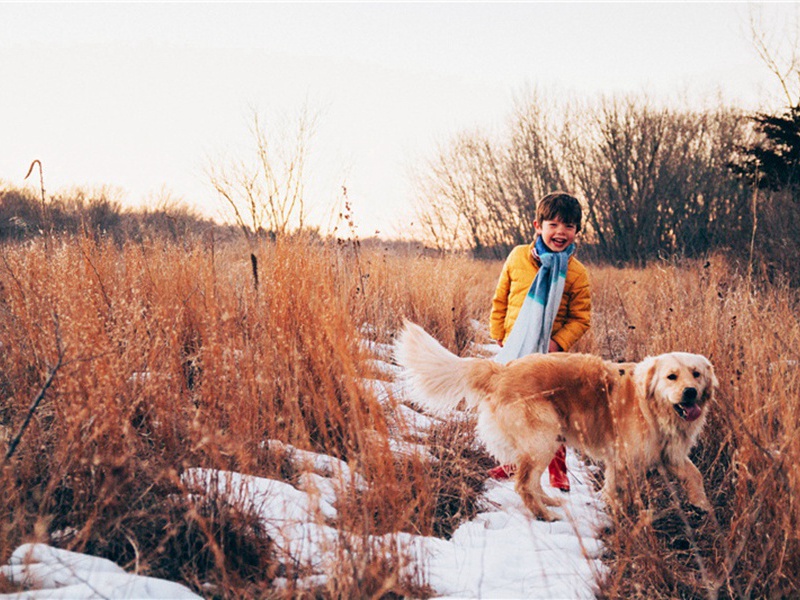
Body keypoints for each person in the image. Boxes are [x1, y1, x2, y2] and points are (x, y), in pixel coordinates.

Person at [487, 192, 591, 492]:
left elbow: (580, 318)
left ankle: (558, 468)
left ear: (576, 232)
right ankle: (513, 461)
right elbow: (501, 297)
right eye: (554, 224)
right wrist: (499, 331)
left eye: (569, 226)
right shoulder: (517, 257)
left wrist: (557, 344)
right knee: (515, 406)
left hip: (550, 355)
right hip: (515, 348)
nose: (561, 232)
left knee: (551, 410)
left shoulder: (576, 273)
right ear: (538, 225)